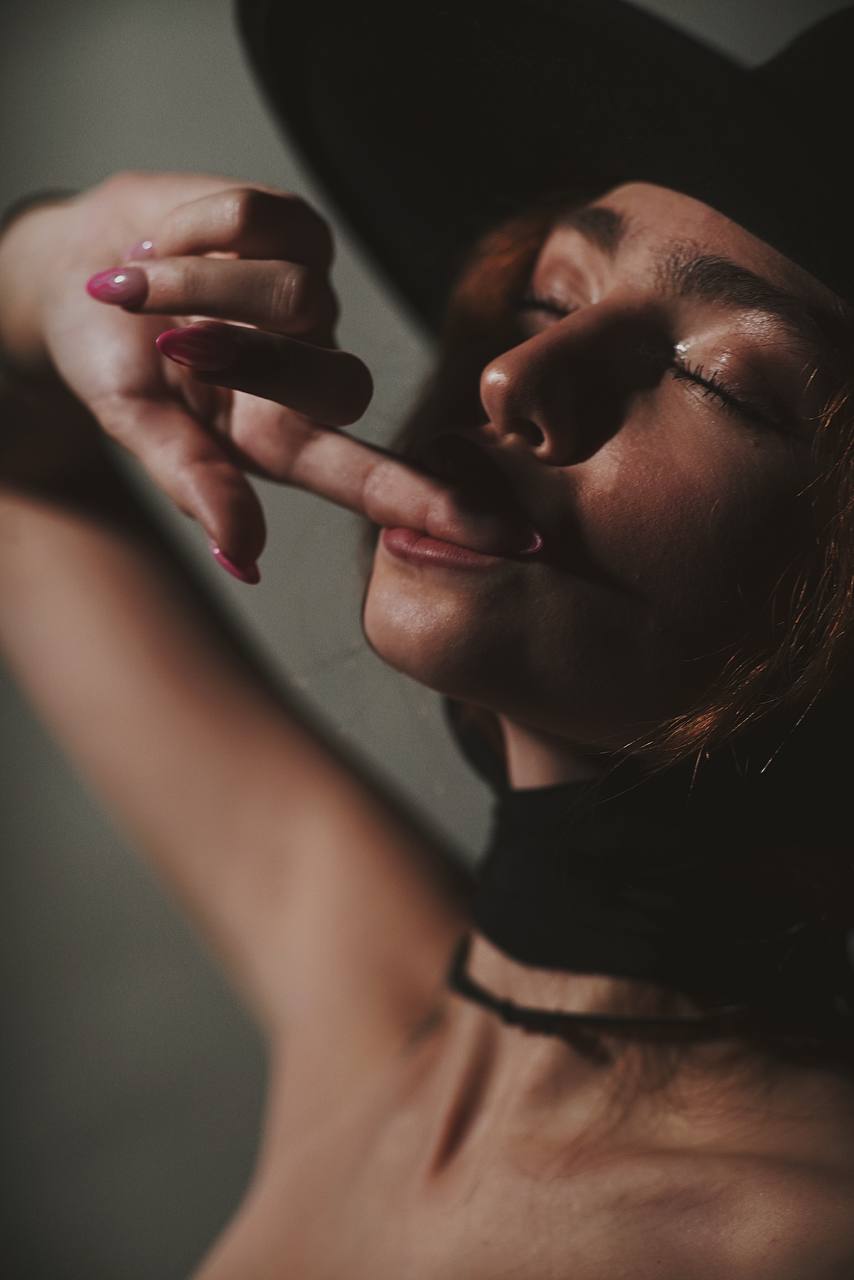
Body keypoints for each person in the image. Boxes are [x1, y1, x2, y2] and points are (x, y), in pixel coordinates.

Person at [2, 1, 854, 1275]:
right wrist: (58, 261)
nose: (513, 377)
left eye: (716, 378)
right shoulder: (381, 993)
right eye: (547, 294)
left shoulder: (791, 1238)